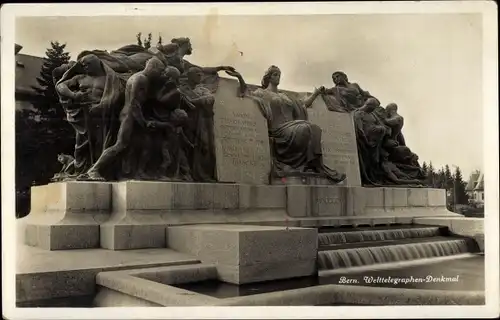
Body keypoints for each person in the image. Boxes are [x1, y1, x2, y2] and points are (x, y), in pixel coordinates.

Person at [225, 65, 346, 183]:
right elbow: (246, 93)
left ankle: (315, 165)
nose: (278, 77)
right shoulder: (262, 93)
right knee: (306, 128)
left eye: (279, 75)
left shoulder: (285, 95)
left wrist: (315, 94)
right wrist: (240, 78)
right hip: (279, 130)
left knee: (315, 129)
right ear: (269, 77)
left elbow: (303, 105)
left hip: (293, 125)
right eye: (275, 74)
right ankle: (309, 164)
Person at [79, 57, 169, 181]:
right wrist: (143, 122)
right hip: (130, 116)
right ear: (152, 67)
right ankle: (94, 170)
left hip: (131, 115)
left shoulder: (139, 77)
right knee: (120, 145)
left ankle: (140, 172)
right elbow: (134, 104)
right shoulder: (141, 79)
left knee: (145, 143)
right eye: (160, 70)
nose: (161, 74)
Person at [55, 54, 124, 176]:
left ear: (96, 63)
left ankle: (98, 171)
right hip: (85, 115)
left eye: (88, 64)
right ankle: (79, 170)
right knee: (80, 145)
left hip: (103, 116)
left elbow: (117, 95)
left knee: (101, 143)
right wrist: (73, 95)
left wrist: (103, 105)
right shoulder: (80, 78)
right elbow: (60, 85)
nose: (85, 67)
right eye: (83, 65)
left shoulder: (109, 78)